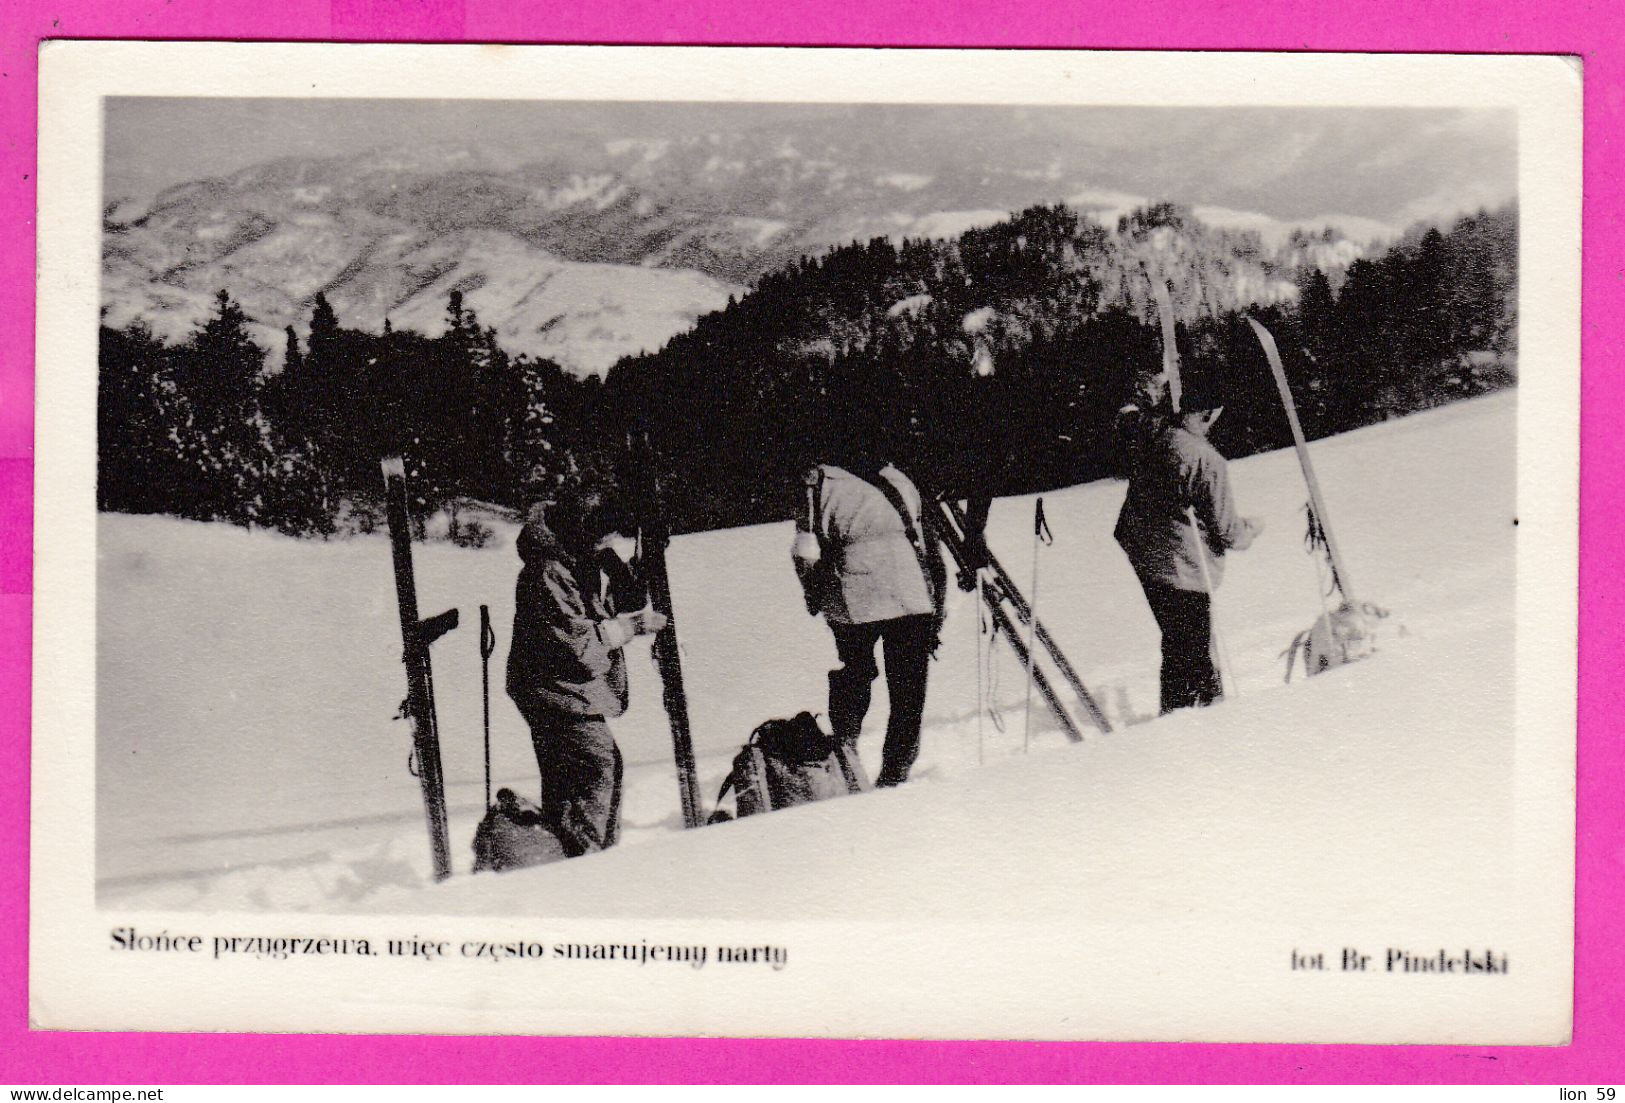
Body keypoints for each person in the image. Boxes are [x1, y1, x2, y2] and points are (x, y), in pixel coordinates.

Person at [506, 481, 665, 856]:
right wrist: (631, 627)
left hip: (561, 687)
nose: (605, 546)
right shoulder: (548, 571)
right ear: (580, 529)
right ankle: (591, 864)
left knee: (569, 784)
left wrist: (637, 566)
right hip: (552, 688)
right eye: (600, 539)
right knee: (597, 764)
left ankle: (569, 860)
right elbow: (578, 645)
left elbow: (616, 597)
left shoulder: (579, 555)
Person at [792, 415, 947, 788]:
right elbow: (929, 549)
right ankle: (895, 773)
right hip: (910, 595)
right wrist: (936, 606)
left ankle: (846, 752)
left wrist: (813, 594)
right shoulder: (900, 480)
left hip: (853, 596)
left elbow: (805, 552)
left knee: (855, 673)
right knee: (908, 690)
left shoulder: (818, 483)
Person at [1114, 366, 1262, 713]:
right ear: (1207, 415)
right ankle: (1187, 719)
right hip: (1179, 565)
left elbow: (1130, 418)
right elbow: (1228, 532)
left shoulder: (1155, 430)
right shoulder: (1206, 460)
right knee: (1189, 649)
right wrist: (1250, 530)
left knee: (1181, 643)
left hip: (1141, 549)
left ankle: (1193, 706)